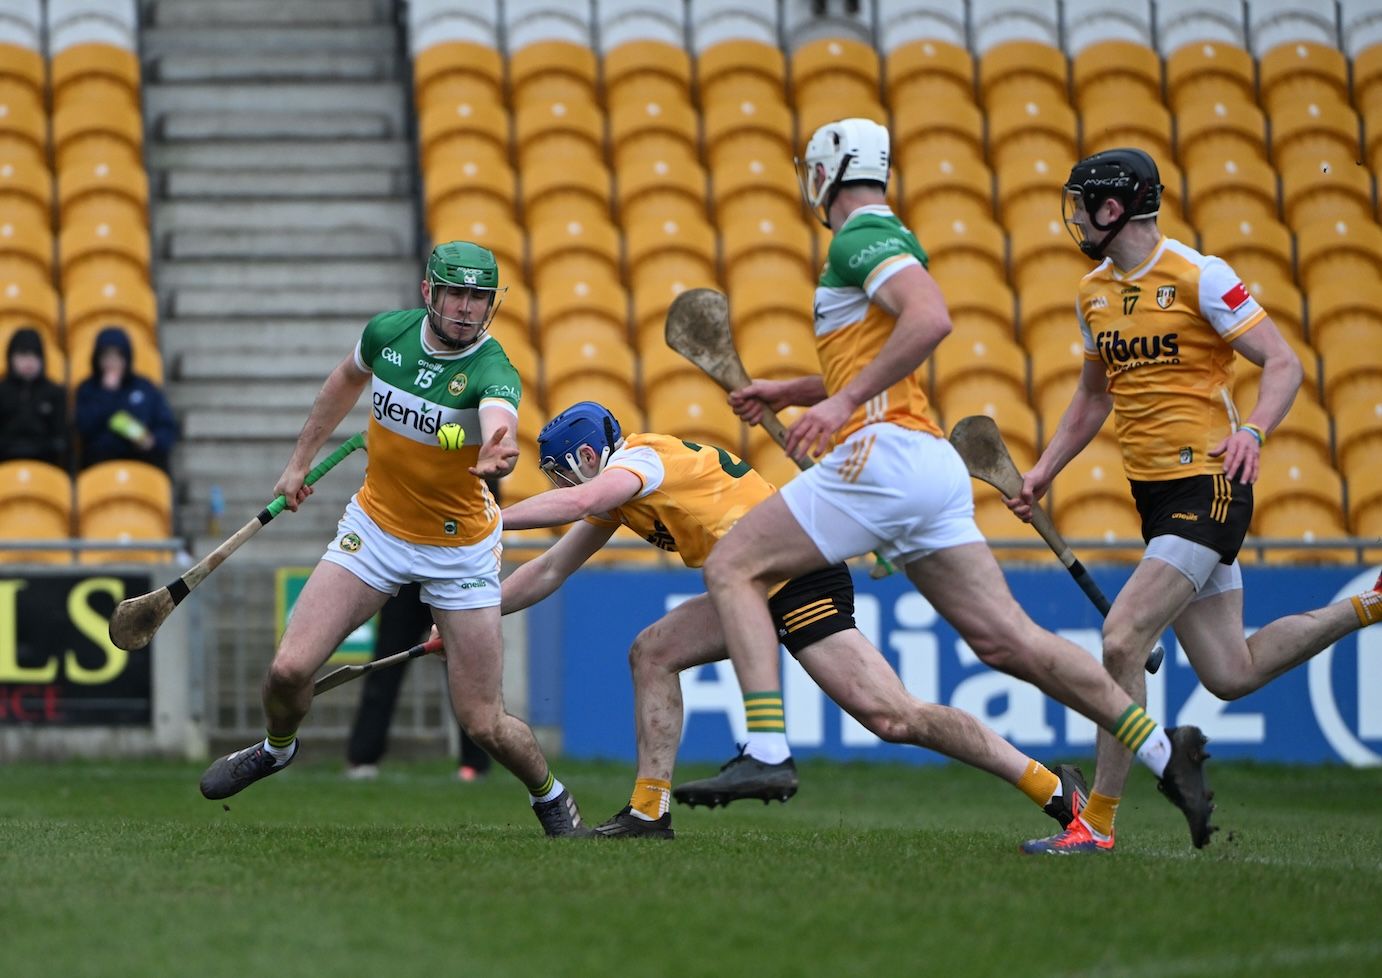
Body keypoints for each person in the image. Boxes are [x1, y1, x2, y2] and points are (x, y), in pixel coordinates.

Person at [700, 118, 1216, 851]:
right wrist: (793, 389)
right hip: (928, 465)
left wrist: (841, 405)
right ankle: (1169, 758)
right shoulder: (876, 240)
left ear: (829, 171)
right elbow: (880, 355)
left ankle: (768, 753)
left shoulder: (858, 235)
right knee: (1010, 642)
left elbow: (930, 318)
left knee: (732, 564)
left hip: (882, 459)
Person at [1004, 147, 1382, 854]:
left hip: (1208, 484)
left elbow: (1284, 362)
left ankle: (1099, 824)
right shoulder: (1091, 293)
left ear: (1113, 208)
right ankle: (1370, 602)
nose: (1075, 217)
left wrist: (1256, 432)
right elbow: (1093, 397)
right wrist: (1045, 469)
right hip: (1154, 496)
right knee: (1229, 671)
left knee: (1121, 638)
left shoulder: (1201, 276)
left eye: (1082, 203)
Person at [491, 399, 1090, 841]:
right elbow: (548, 571)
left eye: (563, 471)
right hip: (752, 585)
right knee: (653, 650)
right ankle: (650, 812)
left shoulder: (642, 460)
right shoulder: (619, 499)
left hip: (798, 574)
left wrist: (491, 520)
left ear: (590, 456)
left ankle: (1054, 789)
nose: (562, 486)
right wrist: (476, 614)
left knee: (894, 716)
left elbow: (577, 500)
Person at [198, 241, 595, 838]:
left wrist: (499, 450)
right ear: (428, 293)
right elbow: (343, 380)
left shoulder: (493, 368)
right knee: (287, 670)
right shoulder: (388, 334)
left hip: (460, 548)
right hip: (376, 529)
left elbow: (500, 421)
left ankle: (549, 794)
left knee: (483, 721)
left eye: (477, 297)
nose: (465, 308)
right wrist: (299, 461)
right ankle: (278, 749)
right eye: (455, 293)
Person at [345, 582, 492, 782]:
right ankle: (363, 759)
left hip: (448, 579)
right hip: (407, 580)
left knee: (462, 670)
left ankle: (474, 764)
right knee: (385, 669)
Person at [73, 325, 178, 472]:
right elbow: (84, 426)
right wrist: (107, 394)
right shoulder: (87, 389)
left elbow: (166, 424)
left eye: (117, 357)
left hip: (142, 459)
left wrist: (153, 441)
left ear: (127, 358)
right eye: (106, 357)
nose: (112, 363)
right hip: (101, 462)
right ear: (97, 359)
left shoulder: (144, 387)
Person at [0, 327, 68, 468]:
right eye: (23, 355)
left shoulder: (55, 393)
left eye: (34, 355)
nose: (28, 362)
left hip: (45, 464)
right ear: (11, 357)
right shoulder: (2, 391)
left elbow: (61, 438)